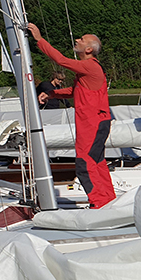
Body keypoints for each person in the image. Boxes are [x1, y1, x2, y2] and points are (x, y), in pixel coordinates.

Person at [27, 23, 116, 208]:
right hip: (97, 122)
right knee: (97, 161)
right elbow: (75, 91)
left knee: (85, 163)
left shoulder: (89, 66)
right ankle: (107, 200)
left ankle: (99, 203)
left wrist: (39, 40)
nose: (77, 40)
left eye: (81, 39)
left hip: (92, 123)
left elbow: (61, 60)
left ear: (89, 49)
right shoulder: (89, 70)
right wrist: (52, 94)